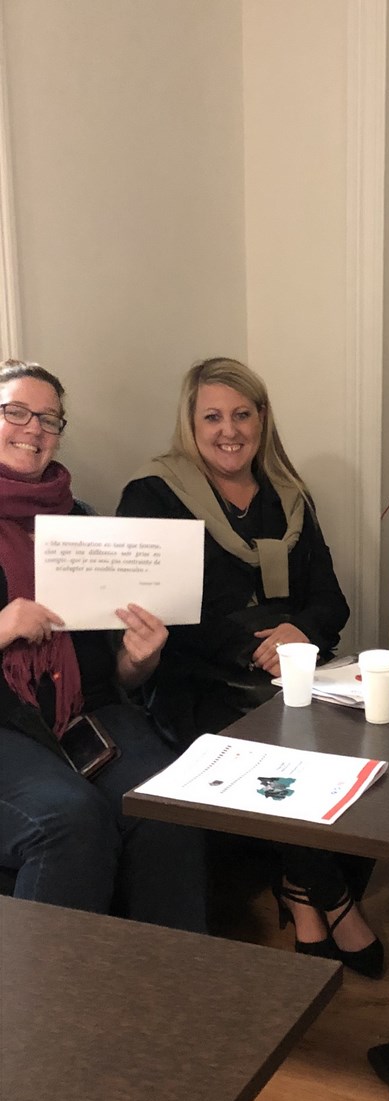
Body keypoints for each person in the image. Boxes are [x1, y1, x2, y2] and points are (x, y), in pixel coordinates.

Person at [117, 357, 383, 976]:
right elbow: (164, 610)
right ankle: (334, 900)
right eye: (212, 417)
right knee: (283, 745)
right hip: (198, 681)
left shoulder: (288, 497)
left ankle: (298, 891)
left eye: (242, 414)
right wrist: (257, 649)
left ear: (262, 419)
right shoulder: (153, 495)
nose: (229, 430)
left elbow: (331, 601)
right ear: (190, 423)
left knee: (370, 732)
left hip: (290, 672)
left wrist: (299, 632)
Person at [0, 359, 206, 930]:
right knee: (69, 821)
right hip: (7, 723)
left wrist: (138, 658)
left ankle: (176, 974)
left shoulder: (82, 522)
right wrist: (4, 625)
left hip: (86, 712)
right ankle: (52, 991)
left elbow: (113, 678)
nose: (34, 428)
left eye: (49, 419)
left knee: (168, 804)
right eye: (16, 412)